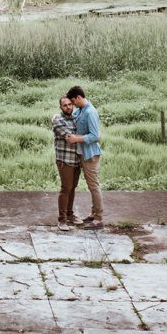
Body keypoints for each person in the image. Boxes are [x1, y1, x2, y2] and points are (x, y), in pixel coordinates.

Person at [65, 85, 103, 226]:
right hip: (82, 154)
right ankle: (93, 214)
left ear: (78, 97)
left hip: (90, 155)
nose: (72, 105)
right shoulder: (80, 110)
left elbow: (95, 136)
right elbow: (70, 118)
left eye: (73, 102)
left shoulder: (90, 112)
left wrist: (77, 138)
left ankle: (98, 218)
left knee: (93, 186)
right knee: (90, 185)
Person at [51, 95, 83, 230]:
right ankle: (62, 220)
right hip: (65, 159)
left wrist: (80, 137)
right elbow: (70, 137)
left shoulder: (76, 118)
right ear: (60, 107)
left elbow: (78, 135)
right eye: (65, 105)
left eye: (70, 104)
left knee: (73, 187)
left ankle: (70, 214)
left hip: (76, 159)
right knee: (66, 188)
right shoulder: (58, 120)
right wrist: (89, 137)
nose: (68, 107)